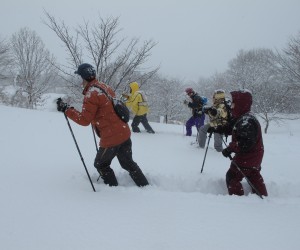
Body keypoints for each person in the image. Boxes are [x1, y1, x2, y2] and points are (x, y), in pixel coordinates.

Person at [56, 63, 149, 187]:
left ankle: (112, 190)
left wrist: (66, 109)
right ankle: (145, 186)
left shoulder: (92, 93)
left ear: (84, 77)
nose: (80, 82)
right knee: (127, 163)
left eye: (80, 78)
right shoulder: (104, 86)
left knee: (100, 164)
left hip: (112, 138)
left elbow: (84, 120)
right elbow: (106, 109)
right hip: (123, 132)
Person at [221, 90, 268, 197]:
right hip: (255, 156)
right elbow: (233, 126)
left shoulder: (247, 121)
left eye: (233, 103)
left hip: (247, 157)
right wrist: (219, 129)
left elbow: (245, 143)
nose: (231, 106)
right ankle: (262, 195)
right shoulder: (244, 117)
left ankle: (237, 199)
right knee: (253, 174)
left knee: (232, 176)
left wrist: (230, 149)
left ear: (240, 104)